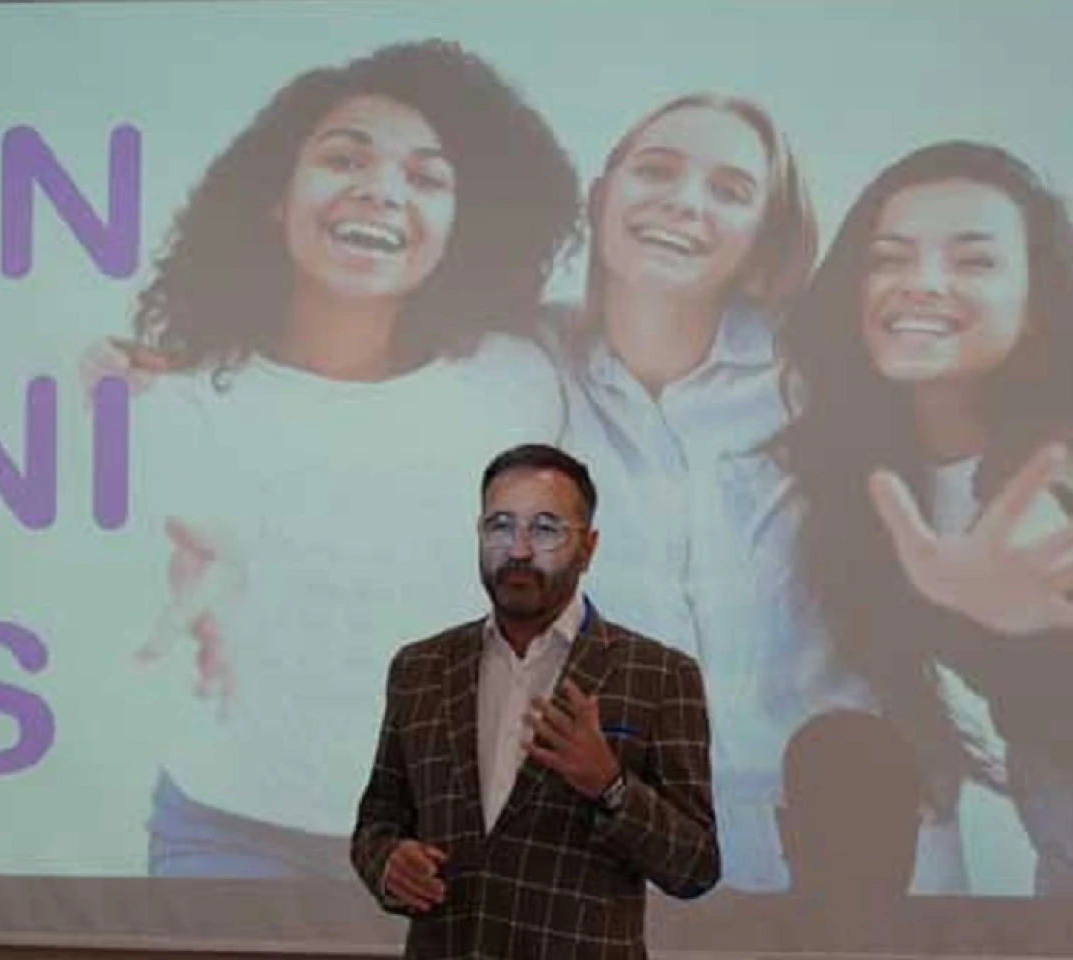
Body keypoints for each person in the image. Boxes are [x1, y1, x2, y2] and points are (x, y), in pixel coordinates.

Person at [96, 40, 581, 877]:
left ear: (459, 229)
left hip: (446, 830)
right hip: (228, 827)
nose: (381, 189)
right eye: (345, 158)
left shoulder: (514, 383)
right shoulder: (173, 401)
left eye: (426, 177)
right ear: (273, 199)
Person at [542, 92, 866, 891]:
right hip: (614, 848)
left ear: (764, 246)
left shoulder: (830, 379)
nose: (685, 202)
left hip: (844, 858)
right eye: (656, 170)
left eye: (730, 189)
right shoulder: (525, 363)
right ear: (602, 199)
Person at [780, 141, 1073, 894]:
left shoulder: (1057, 462)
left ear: (1037, 303)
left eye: (974, 260)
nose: (921, 282)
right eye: (890, 257)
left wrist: (1039, 634)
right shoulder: (866, 472)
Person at [352, 443, 719, 959]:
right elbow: (377, 820)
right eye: (500, 526)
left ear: (588, 548)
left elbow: (696, 866)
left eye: (545, 529)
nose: (519, 550)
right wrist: (388, 863)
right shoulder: (420, 668)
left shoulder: (659, 675)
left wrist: (610, 785)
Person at [777, 709, 923, 900]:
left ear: (787, 829)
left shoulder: (743, 919)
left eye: (879, 825)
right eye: (840, 821)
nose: (862, 857)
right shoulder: (955, 918)